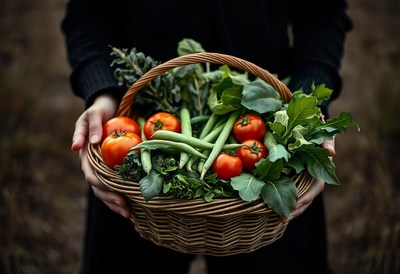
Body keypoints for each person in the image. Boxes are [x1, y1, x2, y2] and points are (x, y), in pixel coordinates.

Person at [61, 1, 352, 273]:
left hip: (272, 139)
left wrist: (309, 107)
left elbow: (322, 13)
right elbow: (89, 11)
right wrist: (103, 93)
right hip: (132, 165)